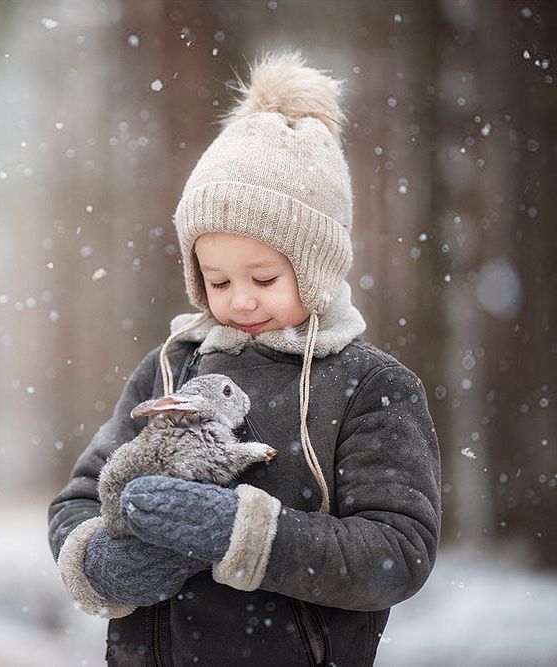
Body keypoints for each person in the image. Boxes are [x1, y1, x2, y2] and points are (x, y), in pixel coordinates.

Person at [47, 52, 441, 666]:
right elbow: (78, 498)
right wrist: (105, 561)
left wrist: (244, 533)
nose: (241, 300)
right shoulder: (171, 368)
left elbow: (398, 550)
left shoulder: (371, 385)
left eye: (263, 276)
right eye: (218, 280)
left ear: (315, 270)